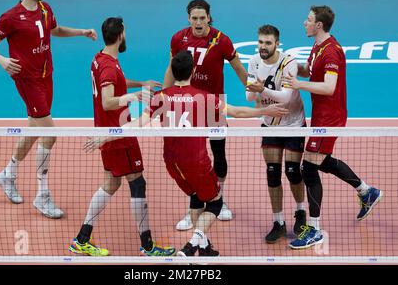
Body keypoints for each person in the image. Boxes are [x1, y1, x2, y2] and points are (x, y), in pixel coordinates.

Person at [91, 50, 287, 256]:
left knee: (195, 197)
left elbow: (135, 124)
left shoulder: (161, 97)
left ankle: (204, 248)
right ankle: (192, 243)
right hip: (197, 162)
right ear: (193, 71)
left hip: (172, 163)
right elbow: (237, 112)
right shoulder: (203, 98)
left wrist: (105, 136)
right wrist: (264, 111)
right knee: (215, 203)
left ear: (173, 73)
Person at [0, 0, 98, 219]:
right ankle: (42, 195)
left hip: (47, 75)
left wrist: (81, 32)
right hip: (27, 79)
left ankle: (7, 175)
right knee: (50, 134)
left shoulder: (45, 9)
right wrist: (2, 60)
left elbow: (54, 30)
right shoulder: (10, 17)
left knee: (35, 129)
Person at [68, 17, 175, 256]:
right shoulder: (108, 66)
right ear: (119, 36)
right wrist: (133, 98)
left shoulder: (101, 59)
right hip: (117, 133)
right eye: (125, 33)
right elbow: (107, 102)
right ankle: (148, 246)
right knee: (137, 182)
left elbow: (117, 83)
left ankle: (81, 238)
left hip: (109, 132)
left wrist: (140, 84)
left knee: (112, 182)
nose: (126, 36)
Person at [283, 6, 383, 249]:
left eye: (308, 20)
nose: (304, 22)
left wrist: (299, 84)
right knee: (319, 160)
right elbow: (311, 69)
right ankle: (365, 191)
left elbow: (328, 87)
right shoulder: (318, 46)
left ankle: (315, 229)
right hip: (321, 115)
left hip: (331, 117)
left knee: (308, 167)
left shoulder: (331, 52)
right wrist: (288, 64)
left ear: (319, 25)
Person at [163, 0, 248, 230]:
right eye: (194, 18)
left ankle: (220, 199)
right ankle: (193, 210)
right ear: (188, 18)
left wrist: (253, 89)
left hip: (213, 106)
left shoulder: (221, 40)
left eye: (203, 18)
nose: (198, 22)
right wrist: (165, 96)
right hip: (188, 105)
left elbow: (239, 68)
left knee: (218, 153)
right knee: (191, 159)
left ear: (209, 17)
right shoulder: (178, 38)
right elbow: (171, 67)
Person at [246, 25, 307, 243]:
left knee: (292, 172)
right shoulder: (253, 61)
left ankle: (301, 213)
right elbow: (248, 97)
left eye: (268, 43)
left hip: (293, 124)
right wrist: (256, 91)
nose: (263, 47)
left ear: (276, 44)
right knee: (272, 172)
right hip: (270, 124)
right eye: (261, 42)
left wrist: (261, 90)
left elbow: (287, 99)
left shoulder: (288, 62)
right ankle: (278, 221)